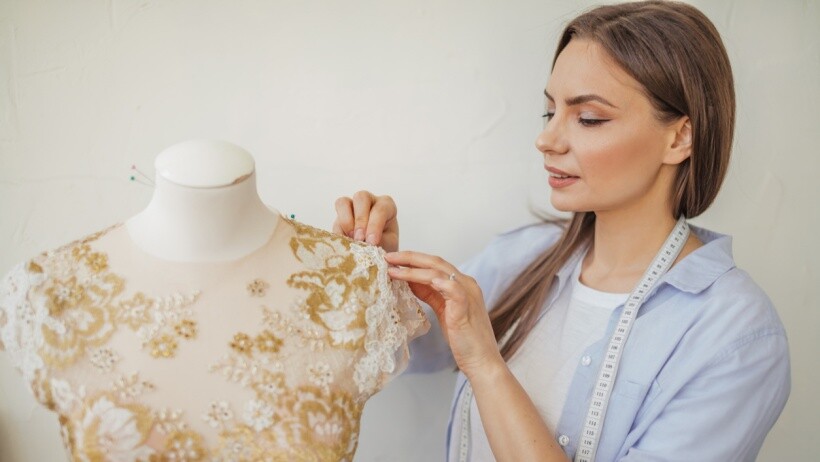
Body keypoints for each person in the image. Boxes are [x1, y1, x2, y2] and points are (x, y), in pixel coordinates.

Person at [331, 1, 790, 461]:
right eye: (549, 112)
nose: (547, 139)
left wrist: (487, 366)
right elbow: (406, 354)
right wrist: (375, 270)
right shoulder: (523, 256)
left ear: (679, 138)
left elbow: (470, 353)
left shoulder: (736, 337)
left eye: (589, 118)